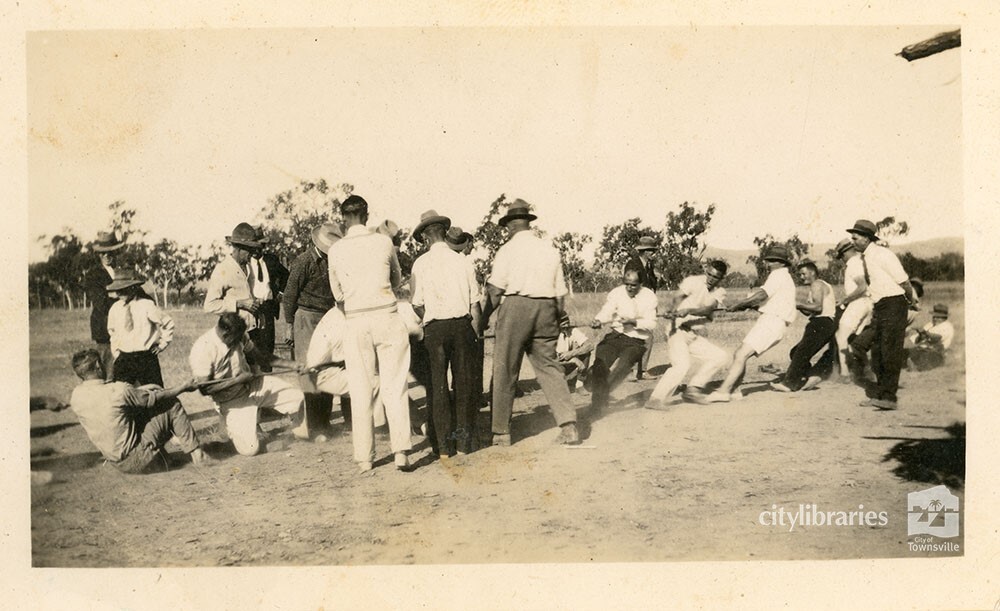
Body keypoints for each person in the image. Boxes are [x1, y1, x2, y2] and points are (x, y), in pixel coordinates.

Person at [480, 199, 581, 446]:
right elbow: (560, 294)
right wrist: (556, 319)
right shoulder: (550, 249)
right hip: (547, 308)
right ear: (528, 223)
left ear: (510, 226)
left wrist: (483, 319)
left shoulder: (507, 250)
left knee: (505, 368)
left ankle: (501, 432)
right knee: (549, 366)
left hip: (517, 307)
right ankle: (569, 426)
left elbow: (494, 290)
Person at [327, 195, 414, 472]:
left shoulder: (336, 250)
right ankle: (401, 452)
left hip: (355, 320)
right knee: (395, 384)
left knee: (361, 388)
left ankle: (365, 458)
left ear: (344, 218)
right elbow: (397, 280)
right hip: (386, 316)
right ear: (366, 215)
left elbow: (337, 293)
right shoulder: (384, 242)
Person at [410, 210, 482, 457]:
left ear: (425, 238)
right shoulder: (463, 261)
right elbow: (475, 304)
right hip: (462, 326)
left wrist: (430, 315)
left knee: (437, 388)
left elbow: (416, 303)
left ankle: (443, 448)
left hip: (435, 329)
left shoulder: (420, 264)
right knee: (463, 385)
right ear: (444, 233)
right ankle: (463, 444)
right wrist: (476, 335)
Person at [69, 348, 209, 473]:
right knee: (171, 404)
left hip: (116, 463)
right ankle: (198, 456)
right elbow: (157, 397)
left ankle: (165, 460)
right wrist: (183, 387)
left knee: (128, 417)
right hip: (137, 460)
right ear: (99, 366)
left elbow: (115, 399)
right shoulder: (118, 391)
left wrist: (144, 389)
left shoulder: (76, 396)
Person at [189, 313, 307, 456]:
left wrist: (293, 365)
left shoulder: (239, 335)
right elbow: (204, 388)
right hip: (232, 400)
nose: (240, 340)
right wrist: (237, 380)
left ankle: (300, 431)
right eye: (236, 338)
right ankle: (231, 432)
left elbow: (261, 358)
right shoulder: (203, 348)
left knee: (298, 397)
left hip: (254, 385)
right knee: (250, 449)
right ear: (226, 334)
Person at [705, 244, 798, 403]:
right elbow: (767, 301)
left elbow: (761, 295)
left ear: (781, 263)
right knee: (741, 354)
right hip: (772, 321)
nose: (768, 263)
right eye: (768, 260)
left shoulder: (778, 275)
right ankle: (734, 390)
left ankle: (724, 391)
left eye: (772, 261)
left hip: (772, 321)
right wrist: (744, 306)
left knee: (741, 354)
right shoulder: (783, 277)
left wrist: (740, 304)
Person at [846, 219, 916, 411]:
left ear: (867, 238)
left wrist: (911, 302)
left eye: (856, 236)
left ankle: (889, 398)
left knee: (890, 352)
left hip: (894, 303)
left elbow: (904, 282)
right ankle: (879, 393)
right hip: (880, 307)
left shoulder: (883, 254)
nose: (852, 240)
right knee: (877, 352)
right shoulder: (866, 257)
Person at [283, 223, 342, 438]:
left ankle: (324, 423)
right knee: (309, 371)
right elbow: (289, 296)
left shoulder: (335, 260)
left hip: (329, 317)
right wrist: (289, 326)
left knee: (327, 367)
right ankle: (314, 427)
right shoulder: (303, 262)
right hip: (306, 318)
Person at [646, 260, 730, 408]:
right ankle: (655, 399)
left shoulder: (720, 291)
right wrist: (673, 310)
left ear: (721, 278)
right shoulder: (693, 281)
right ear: (706, 270)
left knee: (720, 357)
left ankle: (693, 389)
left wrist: (689, 311)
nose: (710, 278)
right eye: (709, 274)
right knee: (682, 364)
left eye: (715, 277)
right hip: (677, 329)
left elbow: (708, 309)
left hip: (694, 335)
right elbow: (678, 297)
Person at [587, 269, 658, 414]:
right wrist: (599, 320)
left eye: (633, 285)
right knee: (600, 362)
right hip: (616, 336)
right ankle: (597, 402)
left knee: (623, 367)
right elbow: (607, 310)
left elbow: (652, 324)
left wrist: (634, 322)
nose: (629, 288)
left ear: (641, 284)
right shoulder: (617, 293)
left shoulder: (650, 297)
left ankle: (600, 399)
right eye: (627, 284)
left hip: (636, 341)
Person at [771, 261, 837, 392]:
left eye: (803, 274)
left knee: (801, 352)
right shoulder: (819, 285)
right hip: (824, 322)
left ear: (812, 272)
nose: (801, 277)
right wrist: (795, 304)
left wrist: (798, 304)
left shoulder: (817, 284)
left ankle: (790, 383)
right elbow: (809, 311)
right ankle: (810, 376)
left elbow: (817, 308)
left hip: (821, 322)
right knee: (796, 352)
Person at [106, 270, 174, 387]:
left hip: (145, 358)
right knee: (121, 395)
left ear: (133, 288)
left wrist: (162, 344)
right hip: (124, 359)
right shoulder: (115, 308)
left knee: (154, 394)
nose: (119, 294)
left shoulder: (146, 305)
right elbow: (113, 332)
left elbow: (168, 323)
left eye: (123, 290)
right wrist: (116, 352)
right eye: (117, 290)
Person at [204, 222, 263, 338]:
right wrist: (239, 304)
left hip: (251, 332)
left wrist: (255, 304)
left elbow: (246, 295)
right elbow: (209, 305)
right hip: (232, 334)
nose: (253, 254)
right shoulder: (223, 270)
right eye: (249, 250)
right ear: (239, 248)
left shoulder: (248, 267)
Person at [304, 304, 353, 439]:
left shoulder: (350, 314)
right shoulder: (335, 319)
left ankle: (352, 421)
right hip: (322, 370)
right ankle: (318, 427)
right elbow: (317, 363)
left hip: (339, 366)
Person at [84, 231, 125, 379]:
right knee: (108, 371)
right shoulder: (93, 275)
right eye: (103, 254)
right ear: (99, 255)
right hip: (104, 329)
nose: (107, 256)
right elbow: (101, 303)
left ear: (116, 253)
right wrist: (124, 298)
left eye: (110, 253)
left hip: (125, 328)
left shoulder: (123, 272)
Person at [833, 238, 871, 382]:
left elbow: (862, 287)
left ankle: (844, 374)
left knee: (840, 336)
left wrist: (845, 300)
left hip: (858, 303)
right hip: (866, 303)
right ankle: (865, 370)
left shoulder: (853, 264)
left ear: (845, 253)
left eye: (842, 255)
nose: (842, 259)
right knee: (854, 340)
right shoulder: (860, 262)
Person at [248, 226, 289, 360]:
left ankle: (266, 375)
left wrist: (281, 293)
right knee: (251, 347)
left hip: (268, 308)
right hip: (250, 309)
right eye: (251, 246)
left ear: (263, 245)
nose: (255, 250)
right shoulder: (245, 263)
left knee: (267, 347)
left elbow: (286, 275)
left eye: (258, 246)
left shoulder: (271, 260)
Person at [624, 235, 660, 380]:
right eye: (652, 251)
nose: (654, 254)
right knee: (637, 337)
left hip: (646, 307)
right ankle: (633, 371)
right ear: (645, 251)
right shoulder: (632, 264)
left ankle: (640, 371)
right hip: (635, 306)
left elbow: (651, 287)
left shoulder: (649, 266)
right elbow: (629, 286)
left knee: (647, 336)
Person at [907, 304, 955, 371]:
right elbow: (917, 340)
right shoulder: (931, 324)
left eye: (938, 317)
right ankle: (911, 363)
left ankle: (915, 366)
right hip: (922, 349)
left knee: (926, 358)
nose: (935, 318)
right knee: (905, 353)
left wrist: (924, 332)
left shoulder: (947, 326)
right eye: (934, 316)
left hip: (937, 351)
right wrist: (920, 334)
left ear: (944, 318)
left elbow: (937, 338)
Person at [556, 314, 593, 393]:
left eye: (567, 322)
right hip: (556, 366)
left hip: (567, 362)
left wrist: (572, 353)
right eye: (563, 324)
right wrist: (574, 360)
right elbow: (552, 358)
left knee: (585, 352)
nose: (566, 325)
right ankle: (566, 382)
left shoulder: (571, 330)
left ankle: (579, 384)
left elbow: (589, 345)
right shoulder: (550, 335)